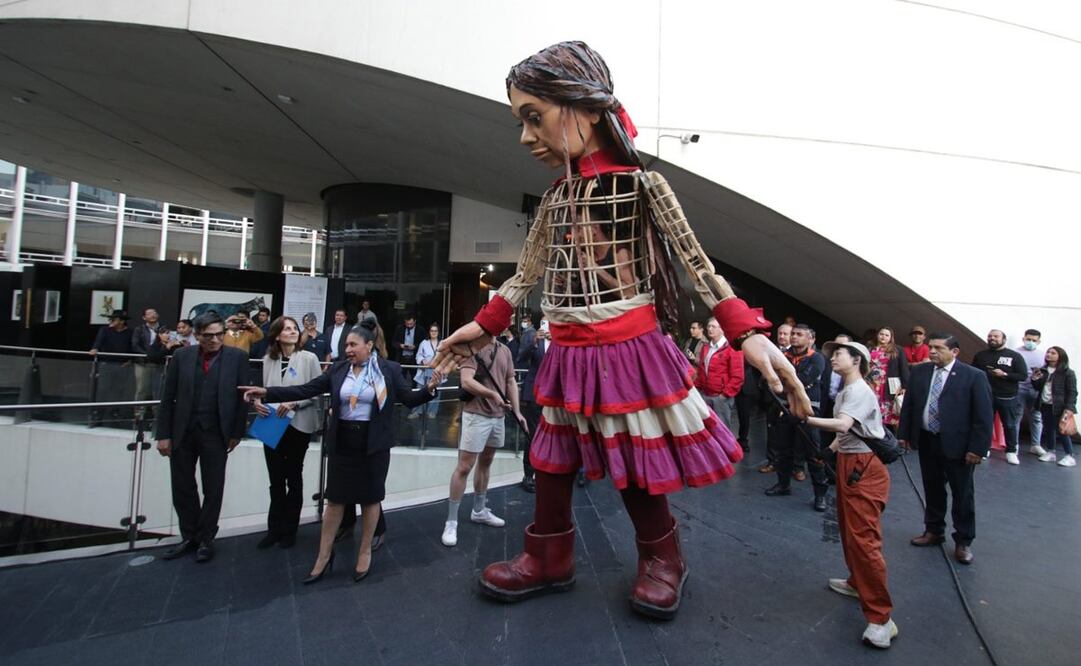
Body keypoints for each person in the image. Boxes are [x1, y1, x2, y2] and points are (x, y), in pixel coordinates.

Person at [431, 41, 810, 620]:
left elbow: (695, 262)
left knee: (633, 454)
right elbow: (528, 273)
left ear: (585, 107)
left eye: (534, 116)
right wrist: (482, 326)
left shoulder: (642, 186)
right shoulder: (555, 197)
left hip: (627, 346)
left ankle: (663, 560)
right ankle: (549, 556)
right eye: (522, 120)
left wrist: (745, 331)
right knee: (551, 454)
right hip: (566, 348)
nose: (526, 136)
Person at [242, 326, 440, 583]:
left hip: (373, 443)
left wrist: (430, 389)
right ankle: (324, 556)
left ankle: (365, 551)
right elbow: (306, 389)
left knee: (370, 499)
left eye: (353, 345)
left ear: (369, 345)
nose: (347, 350)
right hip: (342, 440)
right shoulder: (338, 370)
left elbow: (409, 399)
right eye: (346, 345)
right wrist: (268, 393)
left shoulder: (388, 369)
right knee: (335, 499)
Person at [805, 340, 897, 649]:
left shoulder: (857, 391)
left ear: (857, 360)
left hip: (863, 468)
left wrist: (805, 419)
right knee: (849, 530)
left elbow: (843, 424)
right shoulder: (847, 389)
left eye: (840, 353)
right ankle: (858, 582)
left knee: (864, 540)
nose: (833, 357)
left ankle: (882, 619)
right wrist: (830, 451)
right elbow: (849, 432)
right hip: (851, 461)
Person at [155, 312, 251, 563]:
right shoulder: (181, 357)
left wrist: (236, 433)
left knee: (213, 486)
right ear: (197, 336)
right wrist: (163, 434)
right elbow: (168, 397)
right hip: (183, 431)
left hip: (216, 432)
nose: (215, 340)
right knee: (183, 485)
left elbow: (243, 400)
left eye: (220, 334)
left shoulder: (237, 358)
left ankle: (206, 538)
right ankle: (189, 536)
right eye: (209, 336)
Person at [898, 332, 992, 565]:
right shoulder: (920, 372)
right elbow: (909, 405)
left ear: (954, 352)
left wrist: (977, 449)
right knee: (932, 488)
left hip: (959, 446)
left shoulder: (974, 376)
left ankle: (963, 541)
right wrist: (905, 435)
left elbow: (983, 416)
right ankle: (933, 530)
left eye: (938, 348)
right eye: (931, 347)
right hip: (928, 440)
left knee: (962, 494)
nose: (931, 352)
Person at [441, 339, 526, 547]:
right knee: (464, 466)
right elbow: (467, 380)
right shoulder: (473, 348)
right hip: (476, 415)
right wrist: (491, 394)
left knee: (486, 462)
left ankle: (479, 510)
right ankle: (451, 521)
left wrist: (517, 411)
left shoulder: (504, 350)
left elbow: (510, 381)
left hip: (498, 416)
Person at [253, 316, 322, 549]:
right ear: (277, 335)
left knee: (293, 476)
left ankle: (289, 530)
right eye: (287, 329)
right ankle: (274, 529)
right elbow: (264, 391)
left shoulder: (309, 358)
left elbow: (316, 391)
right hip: (271, 423)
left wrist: (294, 402)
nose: (292, 332)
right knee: (275, 479)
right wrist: (257, 403)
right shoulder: (268, 360)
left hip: (298, 424)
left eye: (294, 328)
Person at [766, 324, 828, 510]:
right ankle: (783, 484)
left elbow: (803, 380)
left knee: (813, 453)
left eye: (799, 334)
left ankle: (820, 494)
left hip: (809, 410)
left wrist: (783, 380)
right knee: (783, 450)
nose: (794, 337)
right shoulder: (782, 356)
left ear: (811, 339)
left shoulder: (817, 359)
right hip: (785, 409)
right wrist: (784, 381)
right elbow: (769, 378)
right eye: (793, 333)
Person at [971, 329, 1028, 465]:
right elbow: (973, 372)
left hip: (1007, 396)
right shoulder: (980, 355)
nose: (992, 338)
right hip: (985, 395)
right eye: (990, 336)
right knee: (984, 423)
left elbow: (1023, 375)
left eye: (996, 336)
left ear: (1004, 339)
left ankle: (1011, 451)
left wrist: (1005, 375)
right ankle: (984, 449)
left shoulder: (1014, 356)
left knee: (1009, 424)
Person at [517, 317, 550, 492]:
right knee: (532, 434)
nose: (547, 325)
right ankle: (528, 475)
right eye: (544, 322)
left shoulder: (560, 339)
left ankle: (549, 472)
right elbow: (521, 357)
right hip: (534, 393)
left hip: (555, 395)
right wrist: (534, 341)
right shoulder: (533, 337)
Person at [1030, 346, 1077, 467]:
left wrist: (1070, 408)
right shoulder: (1044, 370)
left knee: (1062, 430)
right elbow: (1038, 387)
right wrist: (1035, 379)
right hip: (1045, 404)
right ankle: (1051, 451)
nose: (1049, 354)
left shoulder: (1067, 372)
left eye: (1053, 353)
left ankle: (1069, 455)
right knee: (1048, 428)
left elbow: (1072, 391)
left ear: (1060, 356)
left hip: (1060, 406)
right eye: (1048, 352)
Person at [694, 317, 743, 432]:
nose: (710, 329)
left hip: (720, 397)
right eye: (709, 326)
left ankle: (726, 450)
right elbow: (701, 371)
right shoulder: (705, 347)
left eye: (714, 327)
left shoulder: (732, 348)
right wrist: (696, 388)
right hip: (705, 394)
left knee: (722, 430)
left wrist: (724, 395)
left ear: (722, 329)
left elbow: (737, 376)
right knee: (706, 429)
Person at [90, 310, 135, 425]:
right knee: (103, 389)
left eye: (114, 319)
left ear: (122, 321)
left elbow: (133, 347)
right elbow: (98, 342)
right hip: (107, 364)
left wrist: (130, 360)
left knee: (118, 390)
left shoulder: (130, 332)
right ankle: (98, 414)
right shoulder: (105, 330)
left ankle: (115, 412)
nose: (111, 321)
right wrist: (95, 349)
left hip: (122, 365)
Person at [869, 327, 908, 432]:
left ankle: (892, 440)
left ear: (891, 338)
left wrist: (905, 386)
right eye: (881, 334)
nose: (883, 337)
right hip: (872, 384)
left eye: (887, 335)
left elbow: (903, 368)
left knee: (891, 414)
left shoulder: (897, 349)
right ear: (877, 335)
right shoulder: (871, 348)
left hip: (890, 384)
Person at [131, 307, 166, 417]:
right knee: (142, 389)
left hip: (158, 362)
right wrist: (147, 355)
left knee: (158, 389)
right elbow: (135, 345)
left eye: (154, 313)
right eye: (149, 313)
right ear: (144, 317)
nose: (153, 315)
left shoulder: (164, 329)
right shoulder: (139, 329)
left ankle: (157, 414)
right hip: (143, 362)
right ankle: (139, 414)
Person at [1016, 329, 1046, 455]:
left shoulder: (1044, 355)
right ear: (1023, 338)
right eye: (1028, 339)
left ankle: (1036, 444)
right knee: (1016, 416)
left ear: (1039, 341)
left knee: (1036, 417)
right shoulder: (1016, 352)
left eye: (1034, 340)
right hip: (1018, 388)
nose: (1031, 342)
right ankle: (1014, 444)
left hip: (1035, 389)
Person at [412, 323, 443, 419]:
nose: (433, 333)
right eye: (432, 331)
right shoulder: (424, 343)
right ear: (429, 332)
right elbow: (418, 355)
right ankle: (417, 411)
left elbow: (446, 356)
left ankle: (432, 412)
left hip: (437, 371)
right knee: (420, 391)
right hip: (424, 370)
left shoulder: (442, 343)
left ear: (438, 332)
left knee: (435, 392)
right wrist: (422, 360)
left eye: (435, 331)